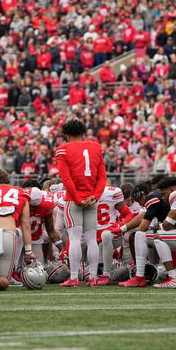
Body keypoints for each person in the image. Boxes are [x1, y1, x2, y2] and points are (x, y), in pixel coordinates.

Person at [55, 119, 107, 287]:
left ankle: (74, 277)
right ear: (83, 132)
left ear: (67, 135)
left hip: (74, 199)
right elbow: (102, 177)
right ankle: (92, 277)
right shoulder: (96, 147)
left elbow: (66, 177)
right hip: (92, 199)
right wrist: (95, 196)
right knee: (92, 239)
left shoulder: (63, 149)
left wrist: (77, 197)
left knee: (75, 238)